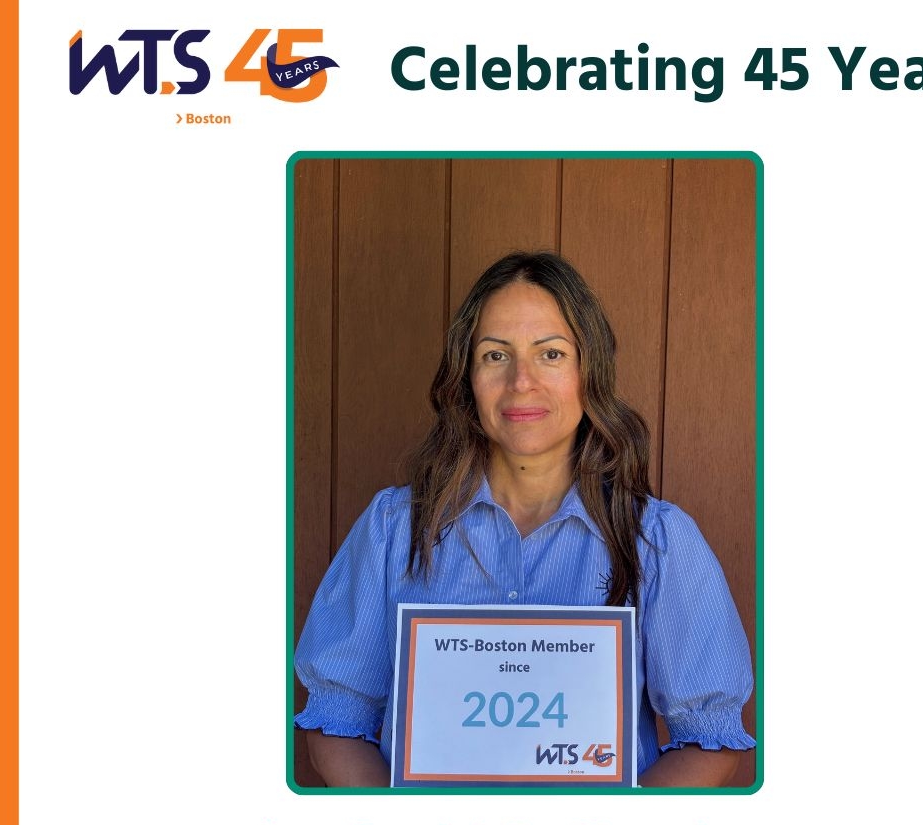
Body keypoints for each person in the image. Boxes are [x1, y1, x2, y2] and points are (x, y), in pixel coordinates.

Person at [295, 251, 755, 787]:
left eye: (551, 354)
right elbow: (338, 721)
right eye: (495, 356)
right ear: (466, 375)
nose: (521, 382)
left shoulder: (658, 542)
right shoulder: (393, 530)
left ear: (590, 369)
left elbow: (710, 741)